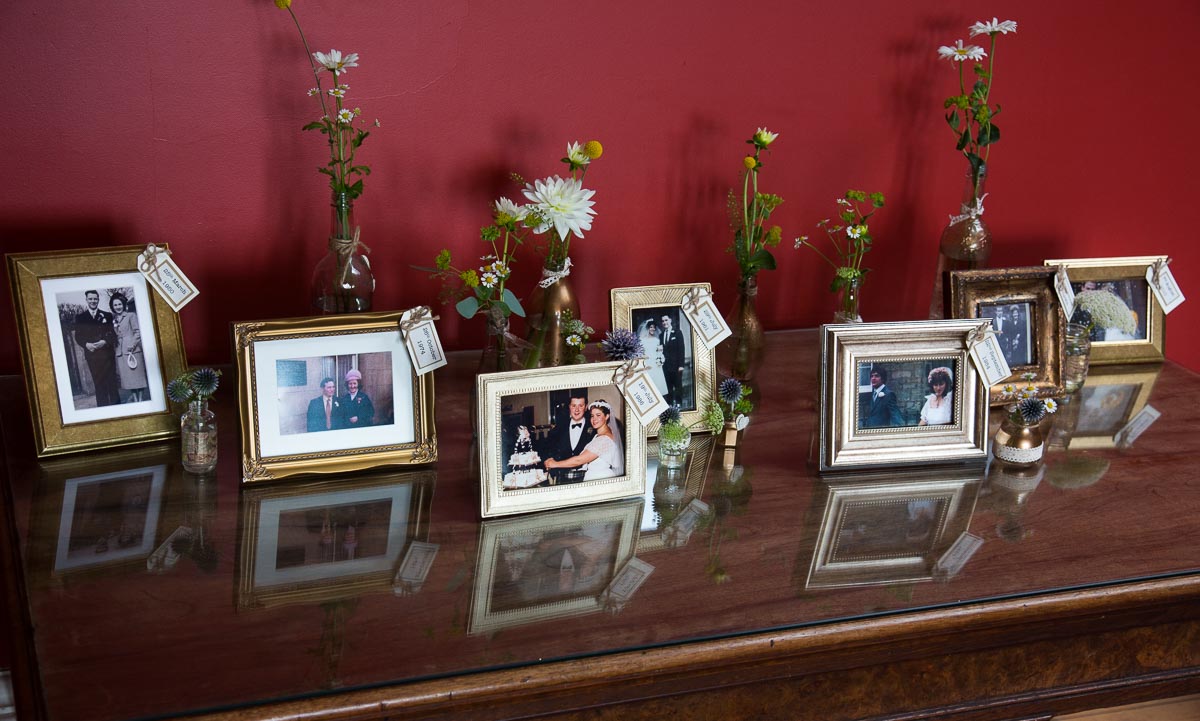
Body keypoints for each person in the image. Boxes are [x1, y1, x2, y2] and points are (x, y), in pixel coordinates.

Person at [544, 400, 624, 481]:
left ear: (606, 416)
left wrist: (554, 464)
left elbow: (579, 460)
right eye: (592, 416)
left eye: (598, 415)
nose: (594, 419)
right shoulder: (598, 436)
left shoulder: (604, 439)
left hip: (599, 477)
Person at [73, 289, 121, 407]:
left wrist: (105, 341)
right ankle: (103, 408)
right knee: (99, 383)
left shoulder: (107, 315)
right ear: (86, 300)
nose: (93, 301)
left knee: (112, 382)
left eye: (95, 298)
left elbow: (113, 334)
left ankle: (117, 407)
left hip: (107, 355)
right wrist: (86, 345)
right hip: (92, 356)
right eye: (90, 299)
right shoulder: (80, 317)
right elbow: (78, 336)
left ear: (98, 299)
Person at [109, 294, 148, 402]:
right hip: (120, 351)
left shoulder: (131, 315)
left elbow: (137, 332)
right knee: (129, 378)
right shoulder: (113, 319)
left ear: (123, 304)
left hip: (133, 350)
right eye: (115, 305)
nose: (118, 307)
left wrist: (133, 344)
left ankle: (140, 399)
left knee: (137, 376)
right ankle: (135, 399)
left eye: (119, 304)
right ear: (112, 307)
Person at [637, 319, 670, 399]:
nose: (653, 329)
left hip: (655, 364)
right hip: (646, 363)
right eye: (651, 327)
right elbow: (639, 353)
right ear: (647, 328)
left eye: (654, 327)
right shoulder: (642, 340)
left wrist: (661, 359)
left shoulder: (657, 340)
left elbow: (659, 352)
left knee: (657, 384)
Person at [660, 314, 687, 406]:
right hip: (666, 366)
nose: (664, 322)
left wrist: (681, 365)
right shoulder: (661, 335)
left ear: (670, 320)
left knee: (678, 385)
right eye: (663, 321)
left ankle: (679, 403)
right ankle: (670, 404)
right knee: (668, 386)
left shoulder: (677, 332)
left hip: (676, 366)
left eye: (666, 320)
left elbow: (681, 349)